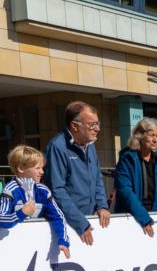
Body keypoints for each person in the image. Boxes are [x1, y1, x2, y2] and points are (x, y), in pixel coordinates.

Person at [44, 101, 110, 245]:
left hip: (89, 220)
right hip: (70, 225)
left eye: (98, 123)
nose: (97, 129)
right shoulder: (57, 147)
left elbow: (97, 178)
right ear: (75, 126)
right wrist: (80, 223)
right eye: (92, 124)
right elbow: (57, 190)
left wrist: (102, 206)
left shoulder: (90, 145)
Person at [0, 145, 70, 257]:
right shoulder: (10, 190)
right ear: (21, 169)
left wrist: (63, 240)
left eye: (42, 167)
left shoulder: (43, 191)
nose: (42, 172)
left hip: (39, 249)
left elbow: (58, 216)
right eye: (37, 168)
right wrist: (22, 212)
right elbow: (1, 219)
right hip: (14, 251)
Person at [113, 117, 157, 236]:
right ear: (140, 136)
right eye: (151, 135)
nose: (155, 140)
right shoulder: (127, 159)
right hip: (132, 220)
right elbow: (125, 192)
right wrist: (144, 218)